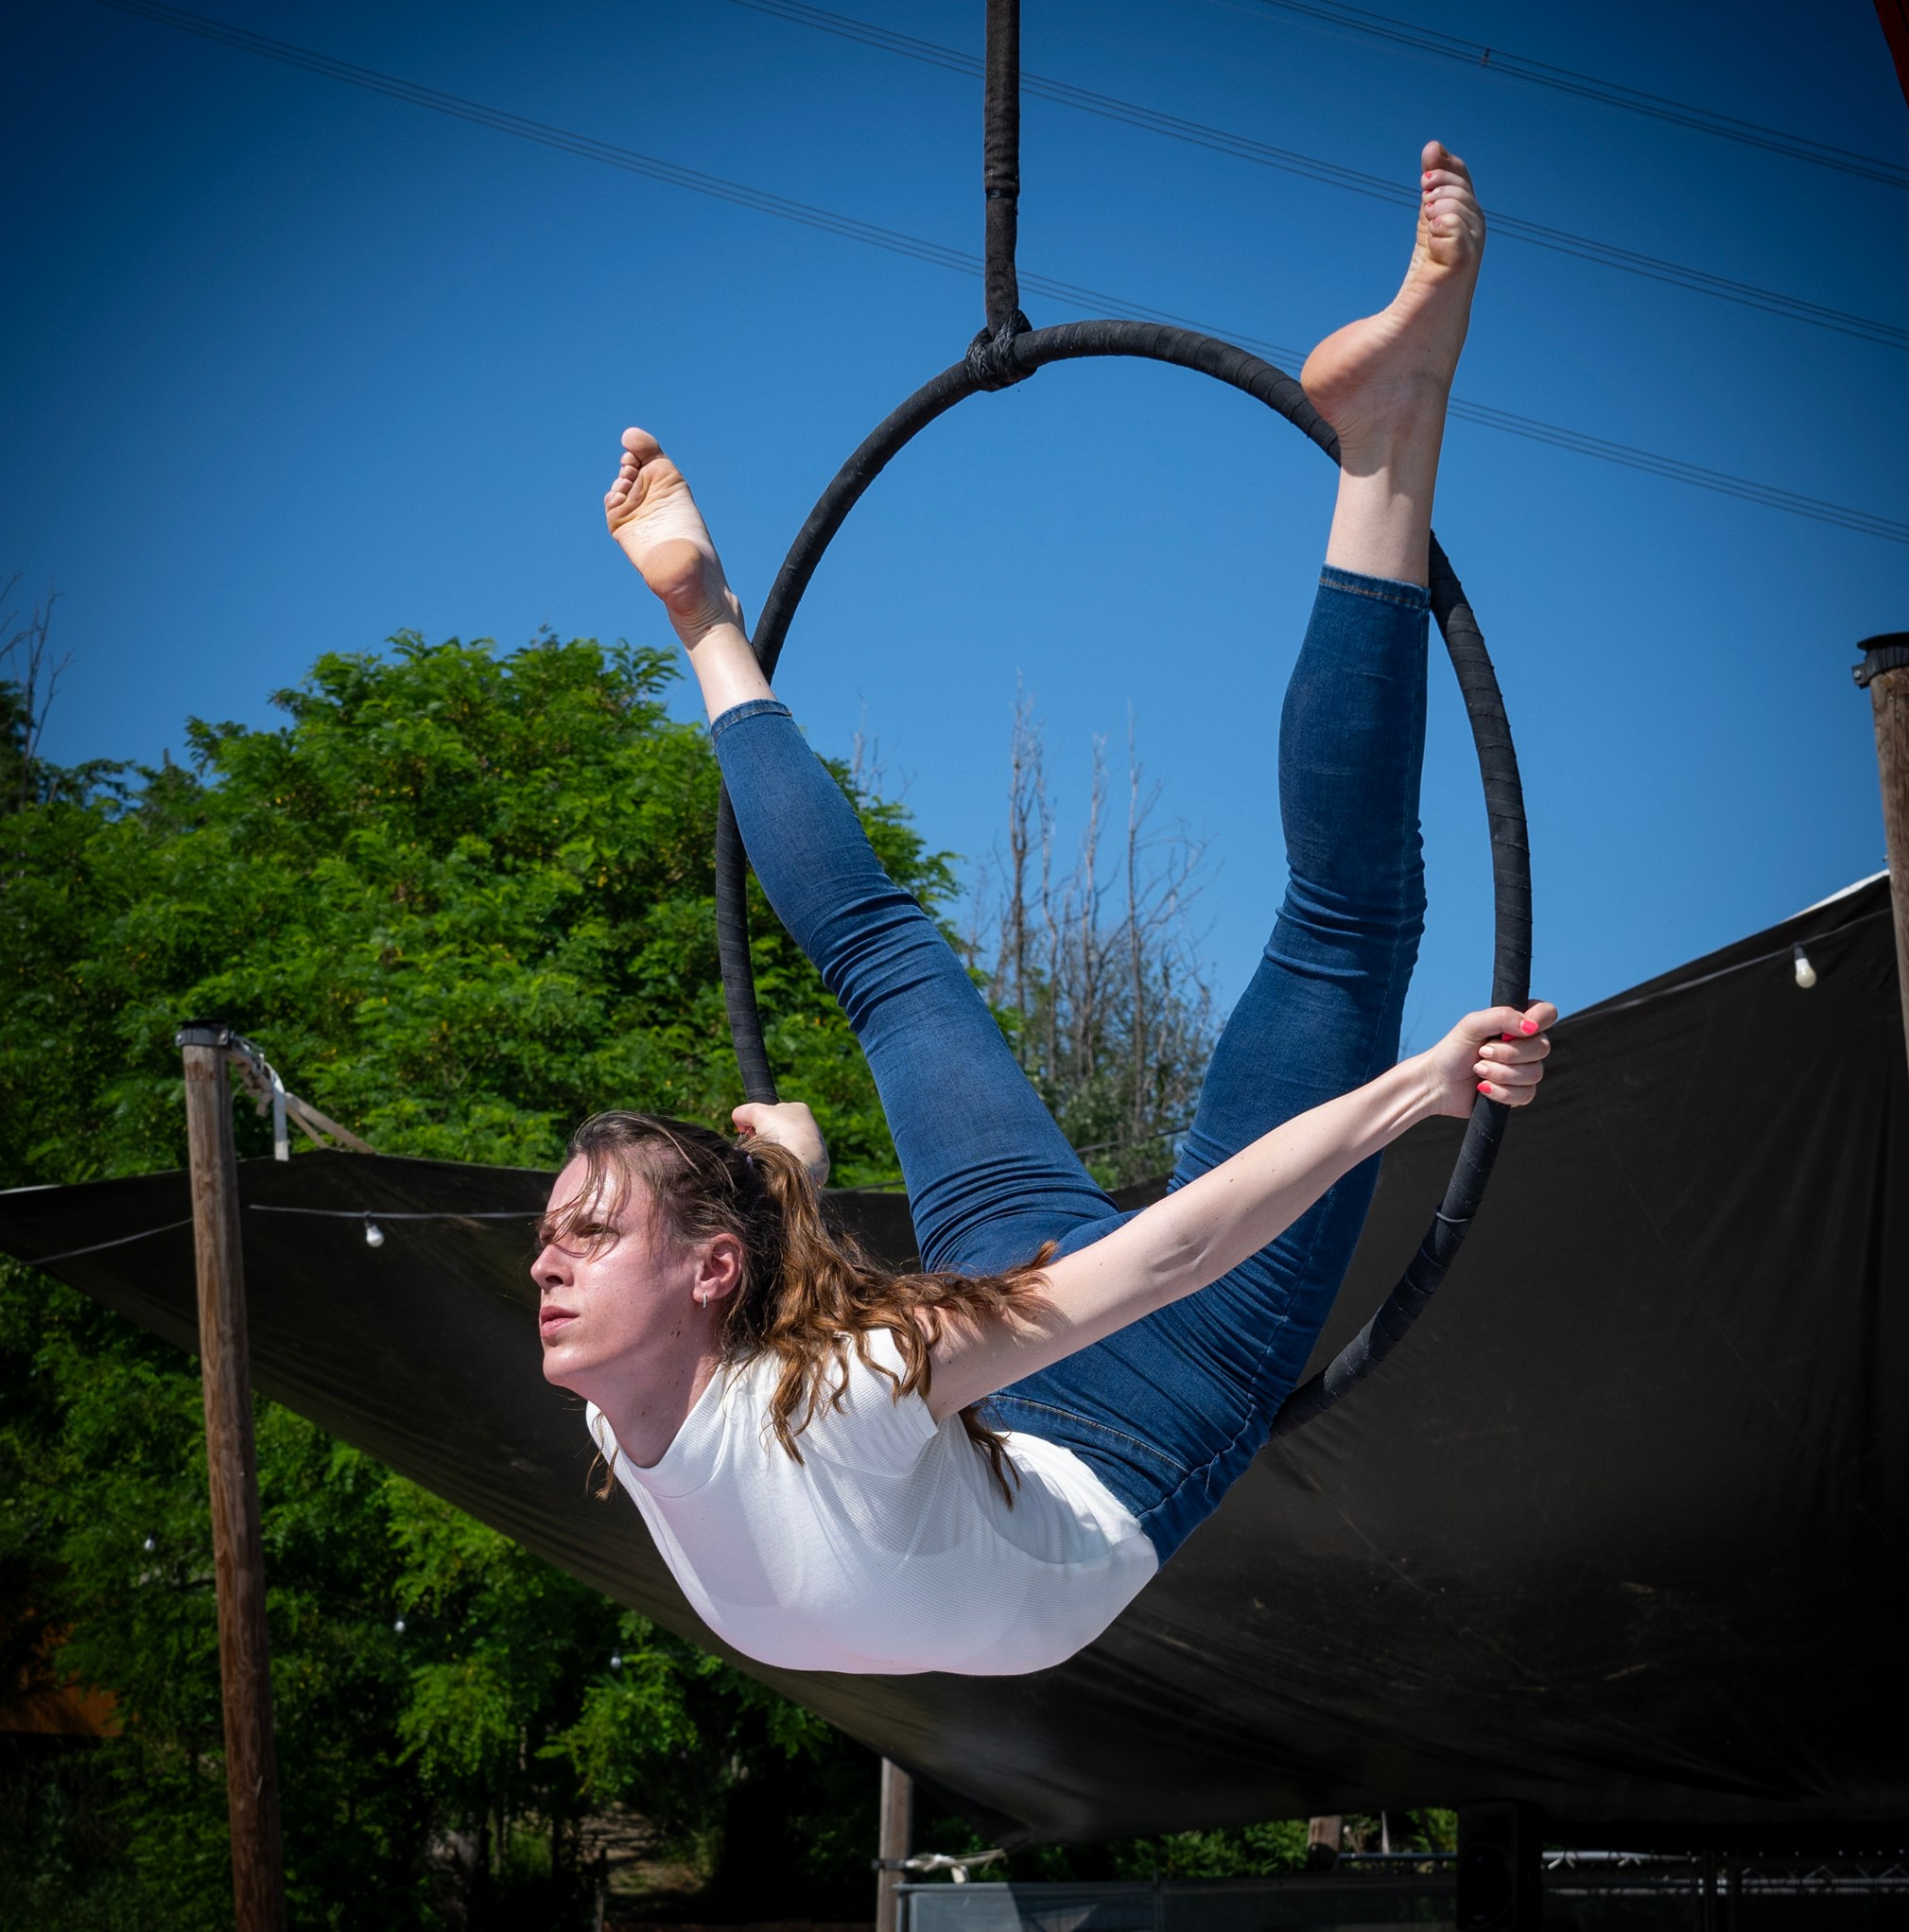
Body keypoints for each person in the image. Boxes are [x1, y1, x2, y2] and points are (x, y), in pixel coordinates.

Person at [534, 144, 1555, 1676]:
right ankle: (707, 621)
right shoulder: (682, 1393)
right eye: (568, 1235)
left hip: (1068, 1371)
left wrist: (1421, 1090)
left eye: (576, 1233)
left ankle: (1387, 446)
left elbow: (1156, 1268)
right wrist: (788, 1164)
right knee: (914, 962)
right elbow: (1157, 1261)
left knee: (1323, 933)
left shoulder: (748, 1388)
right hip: (1087, 1391)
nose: (543, 1263)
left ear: (710, 1274)